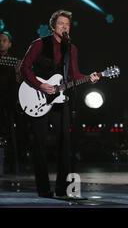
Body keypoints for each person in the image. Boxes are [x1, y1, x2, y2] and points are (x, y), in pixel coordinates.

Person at [19, 10, 100, 198]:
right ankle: (43, 189)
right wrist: (40, 85)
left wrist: (90, 78)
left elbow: (74, 75)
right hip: (37, 96)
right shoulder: (39, 44)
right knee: (39, 144)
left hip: (60, 99)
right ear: (53, 26)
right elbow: (24, 67)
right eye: (61, 23)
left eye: (68, 24)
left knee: (65, 143)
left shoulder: (71, 48)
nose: (65, 26)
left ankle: (62, 188)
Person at [0, 31, 20, 173]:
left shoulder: (14, 61)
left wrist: (19, 72)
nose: (1, 42)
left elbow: (18, 81)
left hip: (9, 101)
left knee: (11, 132)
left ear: (9, 44)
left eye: (4, 40)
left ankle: (14, 166)